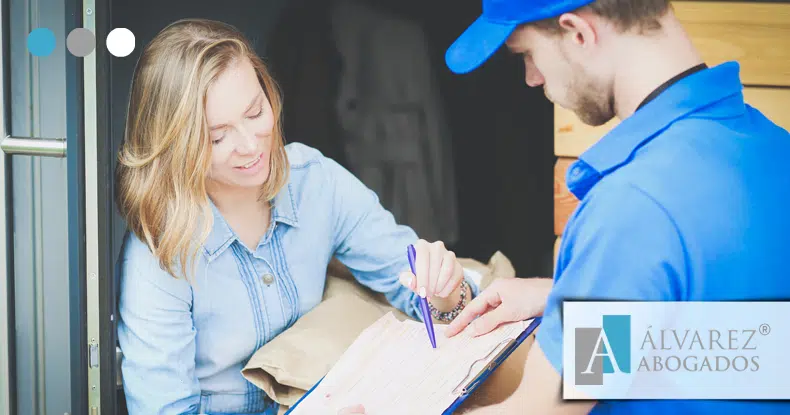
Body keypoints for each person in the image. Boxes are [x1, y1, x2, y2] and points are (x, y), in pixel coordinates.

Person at [340, 0, 790, 414]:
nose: (531, 78)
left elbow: (544, 410)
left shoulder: (632, 206)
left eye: (526, 54)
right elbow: (747, 343)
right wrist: (566, 291)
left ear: (578, 33)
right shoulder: (772, 147)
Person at [114, 18, 481, 415]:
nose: (251, 145)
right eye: (217, 136)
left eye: (255, 112)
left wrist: (445, 292)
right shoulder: (158, 252)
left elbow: (412, 283)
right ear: (173, 144)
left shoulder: (315, 182)